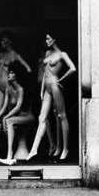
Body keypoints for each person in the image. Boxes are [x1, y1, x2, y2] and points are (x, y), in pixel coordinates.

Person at [26, 33, 76, 162]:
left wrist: (62, 79)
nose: (46, 40)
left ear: (55, 39)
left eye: (48, 38)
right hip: (47, 86)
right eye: (46, 38)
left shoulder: (62, 54)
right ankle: (33, 150)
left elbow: (73, 68)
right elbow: (45, 73)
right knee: (41, 117)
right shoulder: (48, 54)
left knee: (61, 116)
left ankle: (65, 149)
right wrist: (42, 90)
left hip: (55, 84)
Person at [0, 64, 34, 160]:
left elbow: (18, 107)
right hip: (16, 116)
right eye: (8, 72)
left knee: (9, 121)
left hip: (27, 116)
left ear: (17, 75)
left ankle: (10, 153)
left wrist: (5, 117)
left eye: (12, 73)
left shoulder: (20, 89)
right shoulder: (8, 88)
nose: (9, 74)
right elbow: (4, 107)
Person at [0, 30, 31, 115]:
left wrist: (16, 81)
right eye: (1, 40)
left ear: (10, 41)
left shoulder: (15, 55)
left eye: (3, 40)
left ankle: (11, 127)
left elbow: (28, 69)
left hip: (8, 85)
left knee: (10, 112)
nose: (1, 42)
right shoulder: (0, 54)